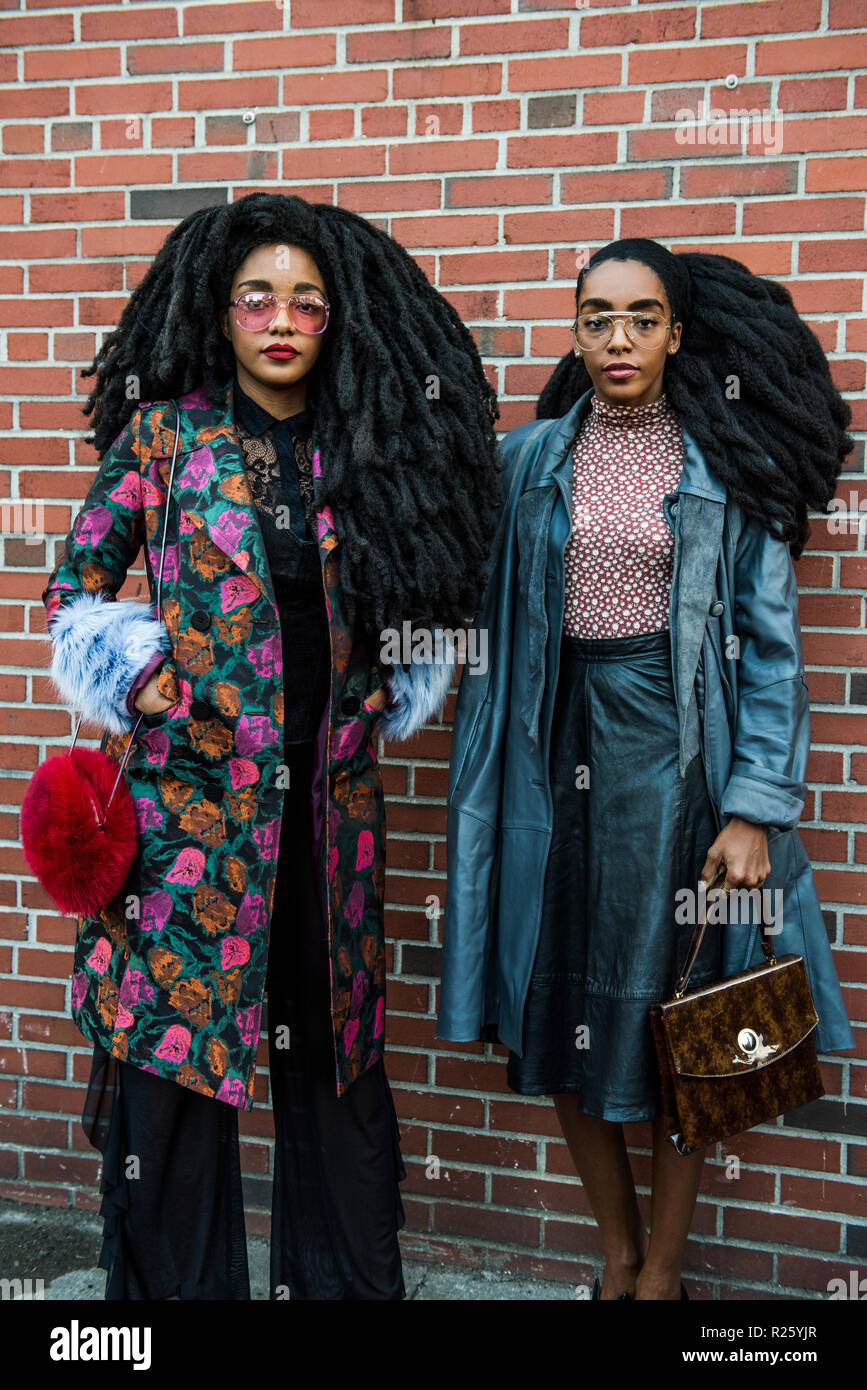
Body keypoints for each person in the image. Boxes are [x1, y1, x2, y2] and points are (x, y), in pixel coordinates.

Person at [41, 192, 501, 1300]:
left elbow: (426, 588)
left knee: (332, 1058)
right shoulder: (166, 436)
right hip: (190, 814)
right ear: (223, 310)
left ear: (335, 320)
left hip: (329, 813)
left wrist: (401, 668)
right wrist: (141, 676)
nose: (283, 317)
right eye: (259, 297)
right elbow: (76, 585)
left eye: (307, 299)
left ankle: (339, 1285)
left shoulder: (371, 443)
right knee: (177, 1063)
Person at [437, 237, 856, 1301]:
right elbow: (452, 579)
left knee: (689, 1020)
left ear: (677, 332)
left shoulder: (725, 463)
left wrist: (755, 803)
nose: (617, 338)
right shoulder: (529, 460)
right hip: (548, 745)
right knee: (555, 997)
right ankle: (616, 1253)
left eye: (641, 317)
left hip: (678, 762)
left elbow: (772, 653)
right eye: (597, 317)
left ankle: (664, 1273)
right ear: (574, 331)